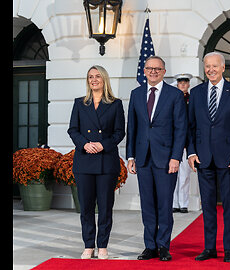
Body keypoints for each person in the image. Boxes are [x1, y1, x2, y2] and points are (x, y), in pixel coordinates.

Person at [187, 52, 230, 263]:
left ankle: (229, 248)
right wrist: (192, 152)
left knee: (229, 205)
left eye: (215, 66)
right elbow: (191, 126)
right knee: (208, 205)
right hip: (203, 158)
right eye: (207, 66)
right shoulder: (196, 93)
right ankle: (210, 247)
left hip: (229, 158)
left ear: (223, 68)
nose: (211, 70)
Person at [126, 56, 187, 261]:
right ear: (144, 70)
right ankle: (149, 246)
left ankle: (163, 246)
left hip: (166, 159)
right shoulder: (135, 94)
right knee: (147, 204)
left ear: (164, 71)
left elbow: (181, 129)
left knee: (164, 204)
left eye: (157, 69)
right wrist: (131, 156)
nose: (153, 71)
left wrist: (175, 157)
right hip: (143, 158)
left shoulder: (175, 95)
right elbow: (132, 127)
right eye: (149, 68)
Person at [67, 65, 126, 260]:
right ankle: (88, 245)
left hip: (105, 162)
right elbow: (73, 130)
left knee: (105, 206)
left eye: (97, 76)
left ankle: (102, 246)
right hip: (84, 161)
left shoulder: (115, 104)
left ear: (104, 79)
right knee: (86, 207)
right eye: (90, 77)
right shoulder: (79, 103)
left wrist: (102, 145)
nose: (94, 80)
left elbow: (119, 132)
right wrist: (84, 144)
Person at [172, 73, 193, 214]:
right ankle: (173, 203)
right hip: (173, 143)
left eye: (185, 82)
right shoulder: (172, 98)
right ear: (177, 84)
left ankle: (183, 203)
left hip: (186, 143)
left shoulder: (192, 100)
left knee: (185, 176)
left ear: (188, 84)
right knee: (172, 175)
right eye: (180, 82)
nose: (183, 85)